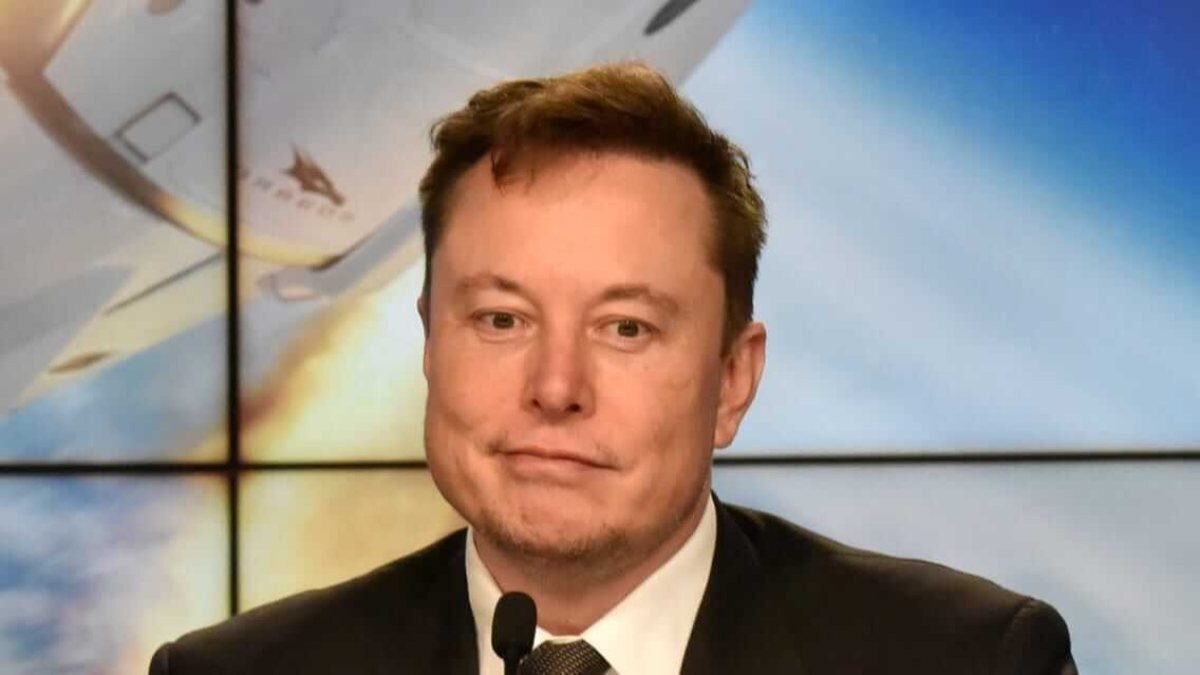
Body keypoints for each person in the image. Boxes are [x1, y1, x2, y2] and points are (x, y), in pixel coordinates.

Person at [150, 62, 1075, 675]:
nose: (556, 387)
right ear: (430, 343)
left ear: (733, 380)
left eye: (625, 328)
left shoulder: (966, 659)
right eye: (502, 318)